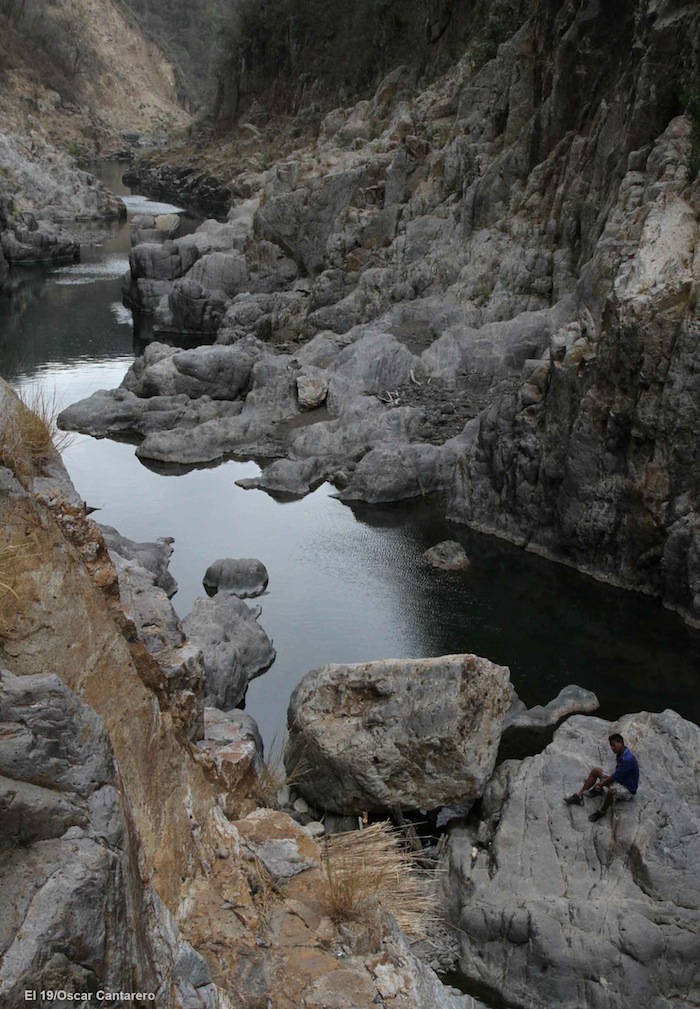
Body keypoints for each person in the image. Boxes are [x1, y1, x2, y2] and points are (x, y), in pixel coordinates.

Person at [564, 733, 639, 822]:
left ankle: (602, 811)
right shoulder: (621, 753)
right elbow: (616, 774)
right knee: (596, 771)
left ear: (620, 743)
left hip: (628, 789)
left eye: (613, 745)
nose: (611, 748)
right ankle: (579, 796)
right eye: (611, 745)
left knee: (612, 791)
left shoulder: (628, 759)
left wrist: (601, 784)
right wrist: (603, 783)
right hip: (621, 780)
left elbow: (614, 777)